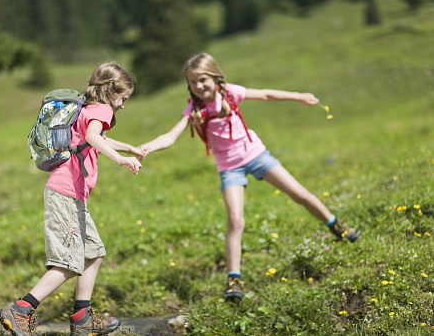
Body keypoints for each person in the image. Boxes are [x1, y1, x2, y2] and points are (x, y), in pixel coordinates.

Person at [139, 53, 360, 301]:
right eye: (192, 82)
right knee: (235, 219)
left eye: (202, 80)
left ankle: (336, 226)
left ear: (215, 77)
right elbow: (170, 136)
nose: (198, 86)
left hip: (256, 155)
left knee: (299, 194)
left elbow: (265, 94)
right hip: (229, 168)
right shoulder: (195, 109)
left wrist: (298, 97)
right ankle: (234, 279)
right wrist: (146, 147)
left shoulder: (231, 93)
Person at [0, 63, 143, 336]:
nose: (122, 105)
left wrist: (129, 147)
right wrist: (122, 159)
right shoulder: (103, 109)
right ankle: (20, 310)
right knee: (67, 263)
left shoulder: (85, 109)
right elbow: (92, 137)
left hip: (69, 195)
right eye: (123, 97)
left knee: (93, 254)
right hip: (66, 194)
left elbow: (94, 138)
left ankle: (82, 317)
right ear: (111, 91)